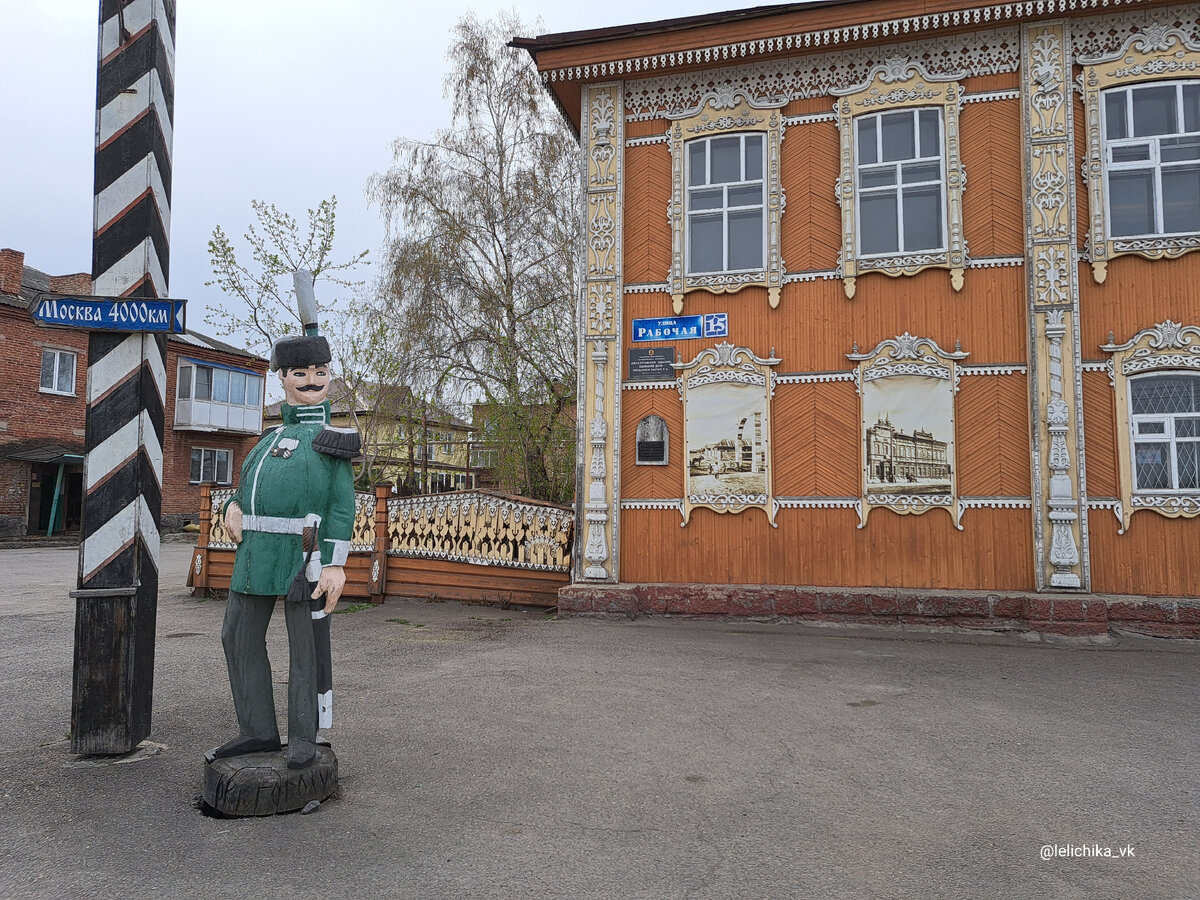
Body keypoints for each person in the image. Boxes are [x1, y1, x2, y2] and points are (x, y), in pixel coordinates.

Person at [210, 302, 359, 769]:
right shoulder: (267, 441)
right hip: (255, 555)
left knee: (305, 649)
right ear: (283, 378)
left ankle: (302, 736)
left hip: (304, 556)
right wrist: (233, 506)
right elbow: (243, 487)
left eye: (319, 371)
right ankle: (255, 730)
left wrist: (335, 564)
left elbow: (341, 506)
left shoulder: (333, 443)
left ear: (329, 376)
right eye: (300, 371)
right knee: (236, 636)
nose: (311, 380)